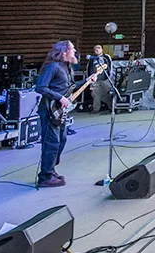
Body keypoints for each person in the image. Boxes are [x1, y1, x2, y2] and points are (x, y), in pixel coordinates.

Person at [34, 40, 78, 187]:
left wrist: (88, 81)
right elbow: (40, 87)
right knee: (51, 143)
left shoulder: (66, 67)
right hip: (49, 110)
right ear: (64, 51)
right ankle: (45, 177)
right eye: (72, 48)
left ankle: (51, 169)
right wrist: (59, 97)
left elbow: (68, 87)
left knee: (62, 140)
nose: (75, 51)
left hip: (60, 111)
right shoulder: (53, 66)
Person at [87, 44, 113, 113]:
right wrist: (89, 80)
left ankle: (111, 107)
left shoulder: (106, 57)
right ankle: (96, 108)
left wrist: (110, 77)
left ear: (102, 49)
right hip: (95, 80)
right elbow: (88, 69)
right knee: (95, 94)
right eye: (95, 48)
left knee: (108, 92)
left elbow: (110, 66)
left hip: (105, 79)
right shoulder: (92, 59)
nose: (97, 49)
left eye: (99, 48)